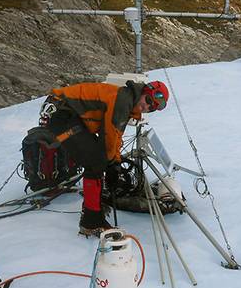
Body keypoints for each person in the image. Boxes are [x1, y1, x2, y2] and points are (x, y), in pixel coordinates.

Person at [42, 80, 169, 236]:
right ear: (143, 92)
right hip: (60, 112)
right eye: (148, 100)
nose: (147, 107)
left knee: (99, 159)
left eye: (152, 108)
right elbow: (108, 137)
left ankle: (93, 208)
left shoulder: (127, 102)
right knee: (95, 162)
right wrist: (110, 166)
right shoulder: (124, 101)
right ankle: (91, 221)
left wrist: (114, 162)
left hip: (67, 113)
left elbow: (115, 136)